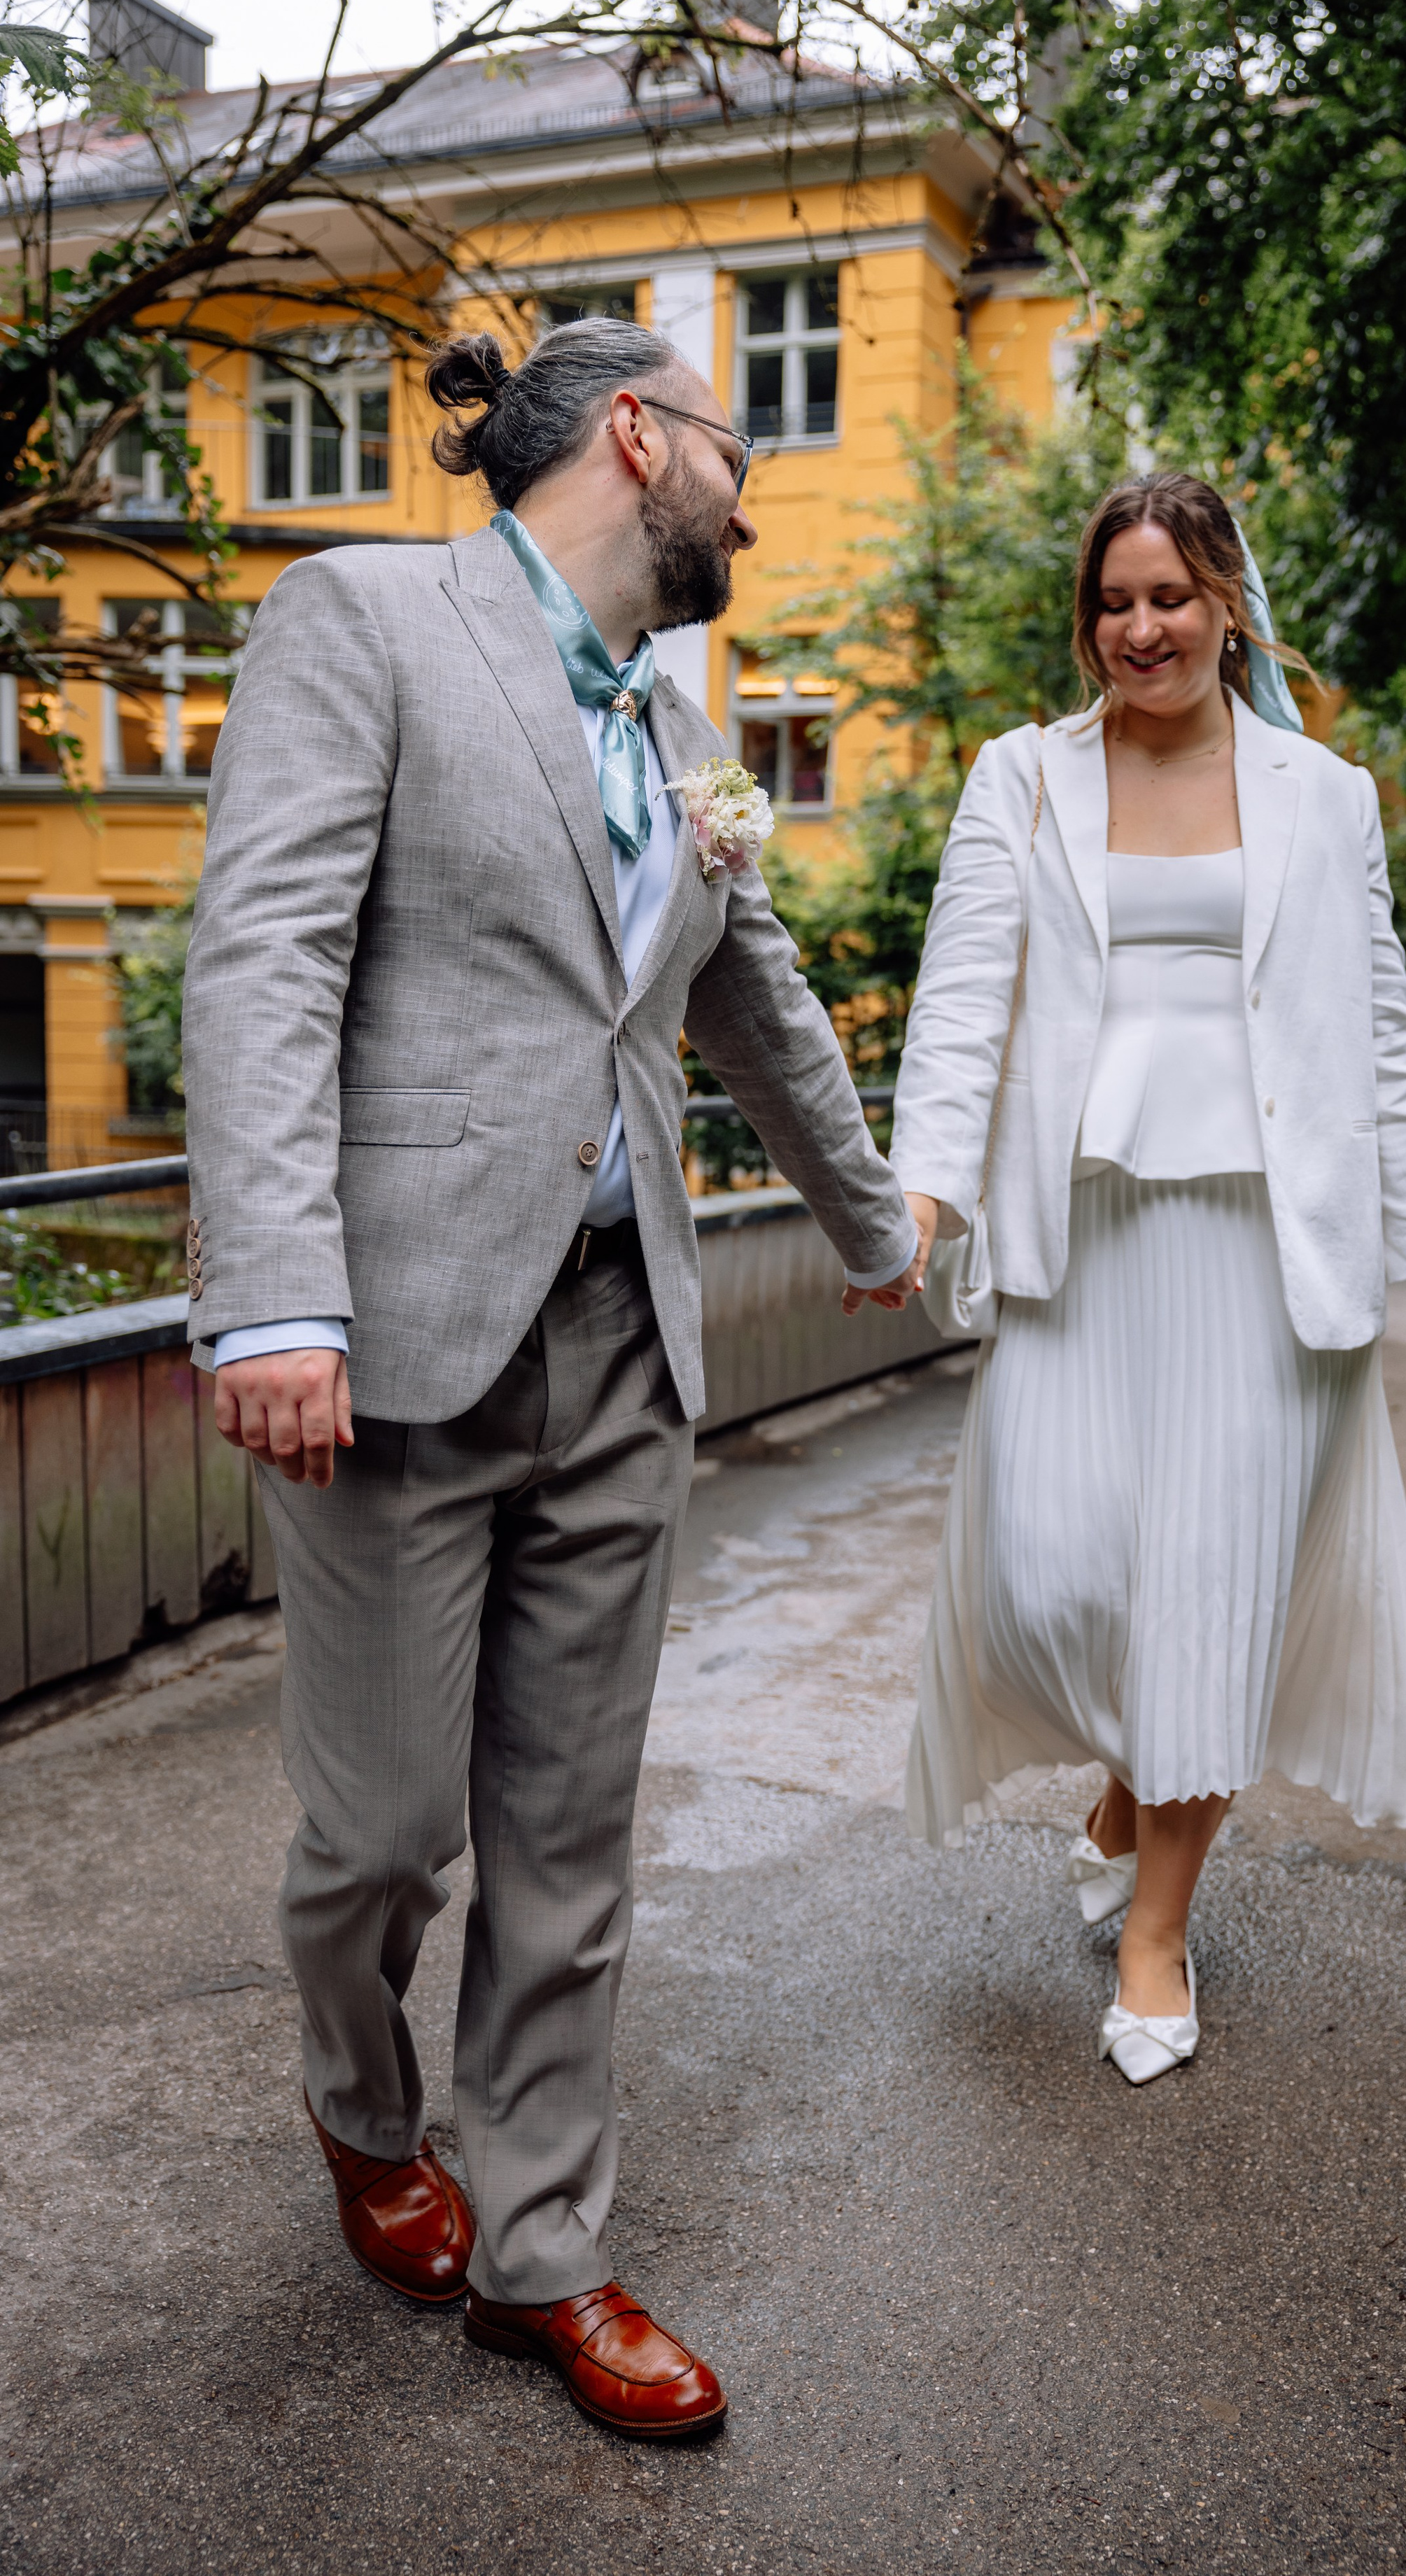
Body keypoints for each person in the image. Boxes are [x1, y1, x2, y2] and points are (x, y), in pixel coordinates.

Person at [181, 317, 918, 2433]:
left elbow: (755, 1003)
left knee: (571, 1839)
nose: (750, 492)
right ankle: (358, 2098)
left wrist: (881, 1228)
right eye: (729, 444)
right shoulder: (367, 615)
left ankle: (542, 2252)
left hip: (620, 1336)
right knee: (389, 1830)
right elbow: (266, 956)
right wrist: (277, 1301)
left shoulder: (676, 721)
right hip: (389, 1337)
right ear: (635, 436)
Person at [888, 472, 1406, 2085]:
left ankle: (1158, 1924)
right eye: (1112, 601)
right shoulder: (1019, 779)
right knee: (1051, 1571)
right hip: (1079, 1233)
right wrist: (918, 1194)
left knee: (1209, 1593)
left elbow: (1376, 1046)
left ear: (1225, 602)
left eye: (1168, 596)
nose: (1137, 628)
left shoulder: (1324, 796)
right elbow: (961, 1002)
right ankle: (1126, 1778)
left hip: (1259, 1249)